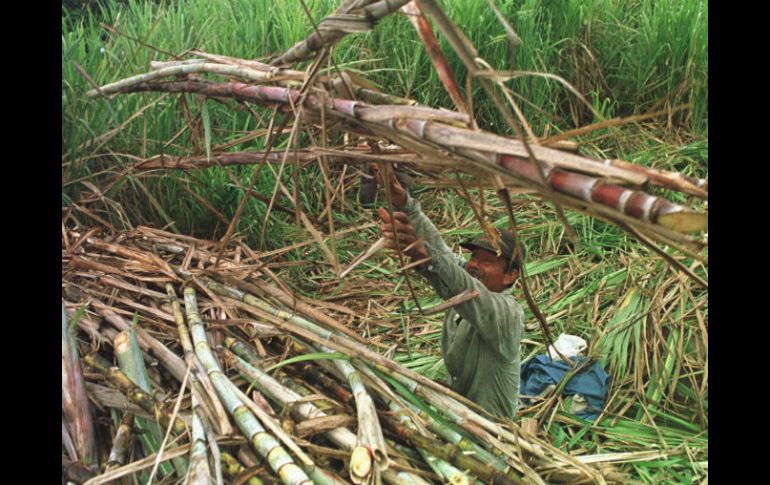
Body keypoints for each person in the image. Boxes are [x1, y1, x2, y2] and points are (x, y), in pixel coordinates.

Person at [373, 164, 525, 420]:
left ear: (510, 275)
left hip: (491, 430)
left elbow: (462, 284)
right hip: (460, 417)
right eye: (474, 257)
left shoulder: (508, 314)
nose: (474, 265)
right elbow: (446, 259)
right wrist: (406, 204)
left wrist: (425, 254)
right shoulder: (468, 279)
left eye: (487, 261)